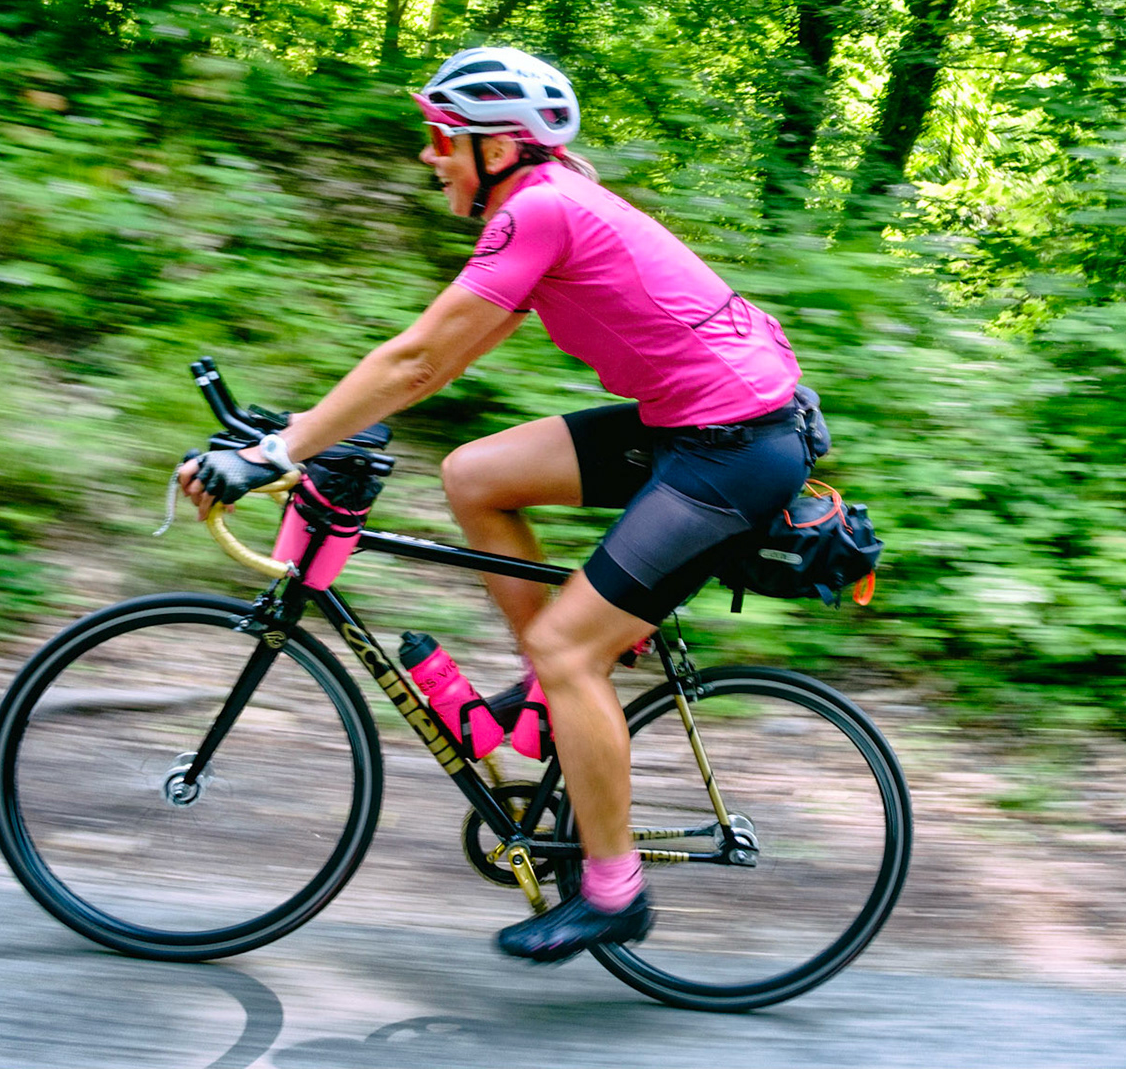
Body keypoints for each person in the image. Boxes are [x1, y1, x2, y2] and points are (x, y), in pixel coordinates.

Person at [177, 47, 812, 962]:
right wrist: (306, 429)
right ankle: (556, 693)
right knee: (476, 475)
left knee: (567, 648)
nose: (429, 155)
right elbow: (433, 363)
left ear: (500, 146)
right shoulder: (543, 207)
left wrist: (278, 451)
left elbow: (417, 362)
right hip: (698, 425)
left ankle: (612, 889)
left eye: (442, 137)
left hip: (735, 448)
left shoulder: (543, 210)